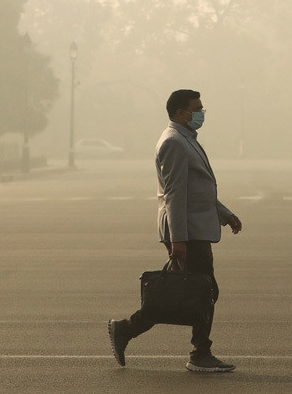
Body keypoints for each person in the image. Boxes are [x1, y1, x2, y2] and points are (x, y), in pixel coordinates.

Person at [108, 89, 243, 373]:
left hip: (194, 229)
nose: (201, 113)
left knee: (194, 292)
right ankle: (199, 352)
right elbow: (174, 195)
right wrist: (178, 240)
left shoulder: (185, 139)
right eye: (197, 109)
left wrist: (225, 214)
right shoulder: (174, 143)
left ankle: (127, 329)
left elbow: (197, 190)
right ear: (181, 113)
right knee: (203, 291)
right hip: (187, 232)